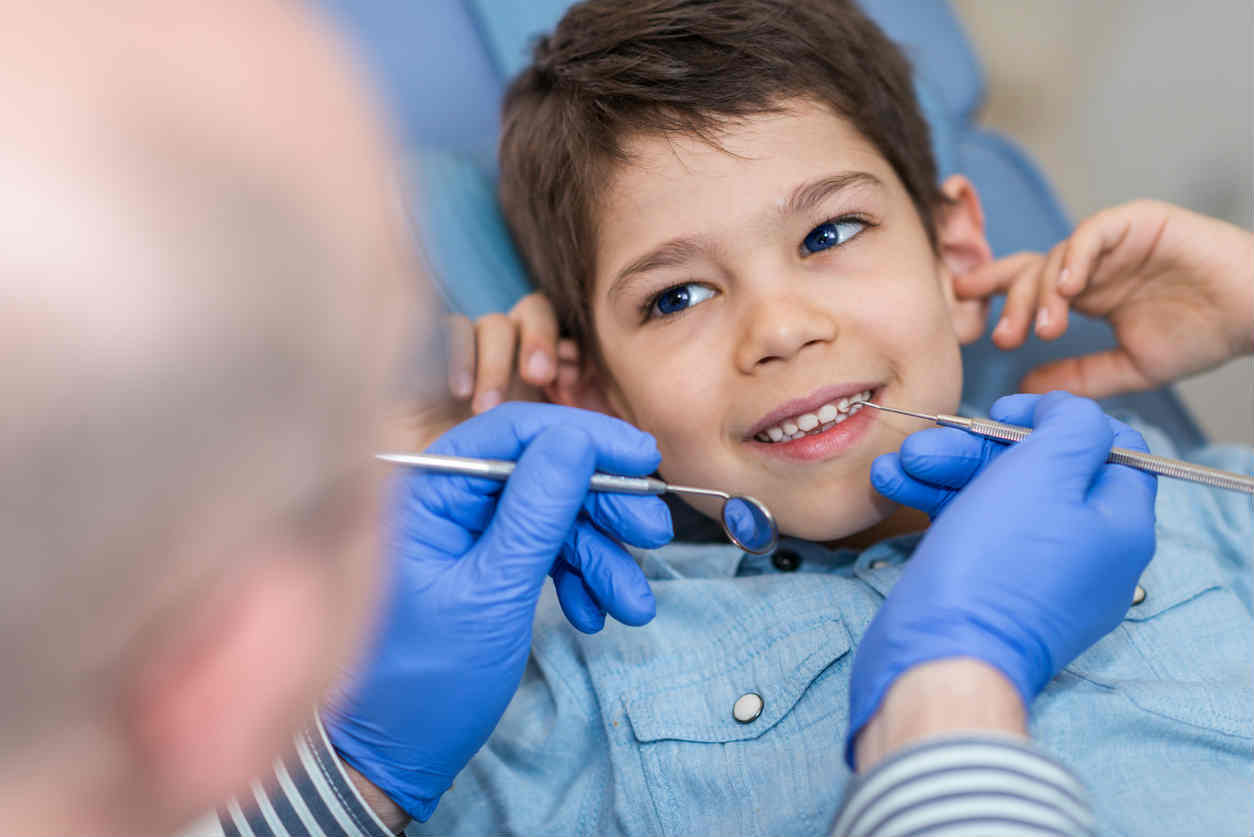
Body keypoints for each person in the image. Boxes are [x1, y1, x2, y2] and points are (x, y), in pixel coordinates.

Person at [375, 2, 1252, 834]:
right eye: (676, 296)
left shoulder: (1202, 513)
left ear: (955, 255)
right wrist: (361, 543)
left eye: (829, 234)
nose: (782, 330)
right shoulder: (565, 686)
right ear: (598, 394)